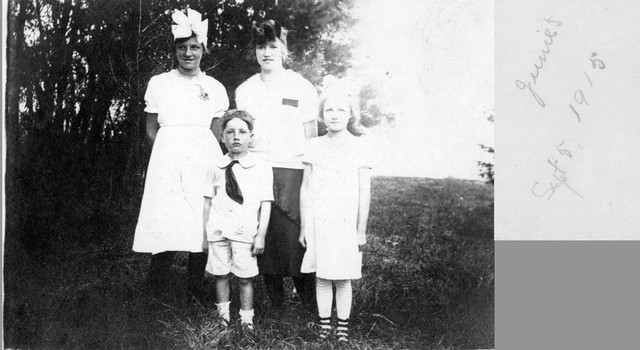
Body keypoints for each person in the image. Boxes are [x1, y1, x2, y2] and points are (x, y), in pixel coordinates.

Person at [132, 8, 229, 297]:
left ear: (203, 50)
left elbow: (216, 130)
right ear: (175, 50)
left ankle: (194, 290)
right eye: (182, 47)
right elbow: (151, 128)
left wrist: (203, 159)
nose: (188, 53)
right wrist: (167, 155)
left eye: (195, 48)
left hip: (202, 161)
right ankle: (154, 289)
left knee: (199, 220)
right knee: (167, 217)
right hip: (167, 161)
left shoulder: (213, 87)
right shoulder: (160, 83)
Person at [235, 19, 318, 310]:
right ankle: (276, 306)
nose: (267, 53)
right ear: (254, 51)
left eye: (273, 46)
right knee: (265, 237)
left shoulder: (302, 86)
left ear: (284, 49)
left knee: (295, 238)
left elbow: (312, 136)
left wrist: (312, 171)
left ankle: (311, 304)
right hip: (258, 169)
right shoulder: (245, 90)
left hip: (294, 170)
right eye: (261, 47)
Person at [299, 89, 372, 343]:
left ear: (350, 114)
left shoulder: (358, 147)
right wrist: (304, 227)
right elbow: (305, 188)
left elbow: (364, 191)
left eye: (341, 109)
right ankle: (324, 325)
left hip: (344, 221)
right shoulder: (314, 146)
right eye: (329, 109)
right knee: (322, 275)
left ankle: (342, 326)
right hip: (319, 219)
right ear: (321, 114)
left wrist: (360, 230)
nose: (335, 115)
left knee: (342, 276)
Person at [203, 110, 273, 329]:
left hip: (245, 232)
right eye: (230, 132)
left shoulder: (261, 167)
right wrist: (205, 234)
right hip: (218, 231)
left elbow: (266, 203)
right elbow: (207, 202)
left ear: (250, 137)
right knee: (221, 274)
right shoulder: (215, 166)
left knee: (245, 277)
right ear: (222, 136)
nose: (236, 137)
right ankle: (223, 317)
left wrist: (260, 235)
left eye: (242, 132)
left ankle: (246, 320)